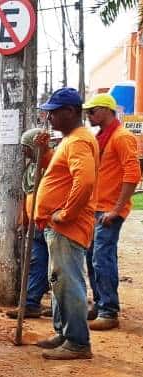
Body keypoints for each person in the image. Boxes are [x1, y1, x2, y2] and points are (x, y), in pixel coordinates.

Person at [33, 88, 99, 360]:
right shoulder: (71, 140)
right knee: (58, 280)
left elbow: (85, 181)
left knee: (68, 282)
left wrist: (66, 213)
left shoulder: (78, 141)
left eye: (53, 112)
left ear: (70, 112)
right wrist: (44, 152)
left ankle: (77, 342)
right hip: (58, 226)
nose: (48, 117)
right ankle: (64, 332)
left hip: (67, 226)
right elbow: (61, 176)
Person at [82, 93, 140, 331]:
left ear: (106, 111)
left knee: (101, 258)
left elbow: (133, 175)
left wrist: (116, 209)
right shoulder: (102, 137)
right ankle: (100, 303)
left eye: (93, 111)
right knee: (91, 257)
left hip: (109, 210)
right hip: (97, 208)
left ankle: (109, 310)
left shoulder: (121, 137)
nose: (89, 115)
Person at [6, 127, 54, 319]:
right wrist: (23, 220)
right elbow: (28, 196)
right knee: (34, 263)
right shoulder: (31, 168)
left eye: (26, 147)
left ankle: (60, 307)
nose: (23, 152)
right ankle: (31, 303)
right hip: (34, 224)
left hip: (50, 223)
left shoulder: (52, 163)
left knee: (56, 269)